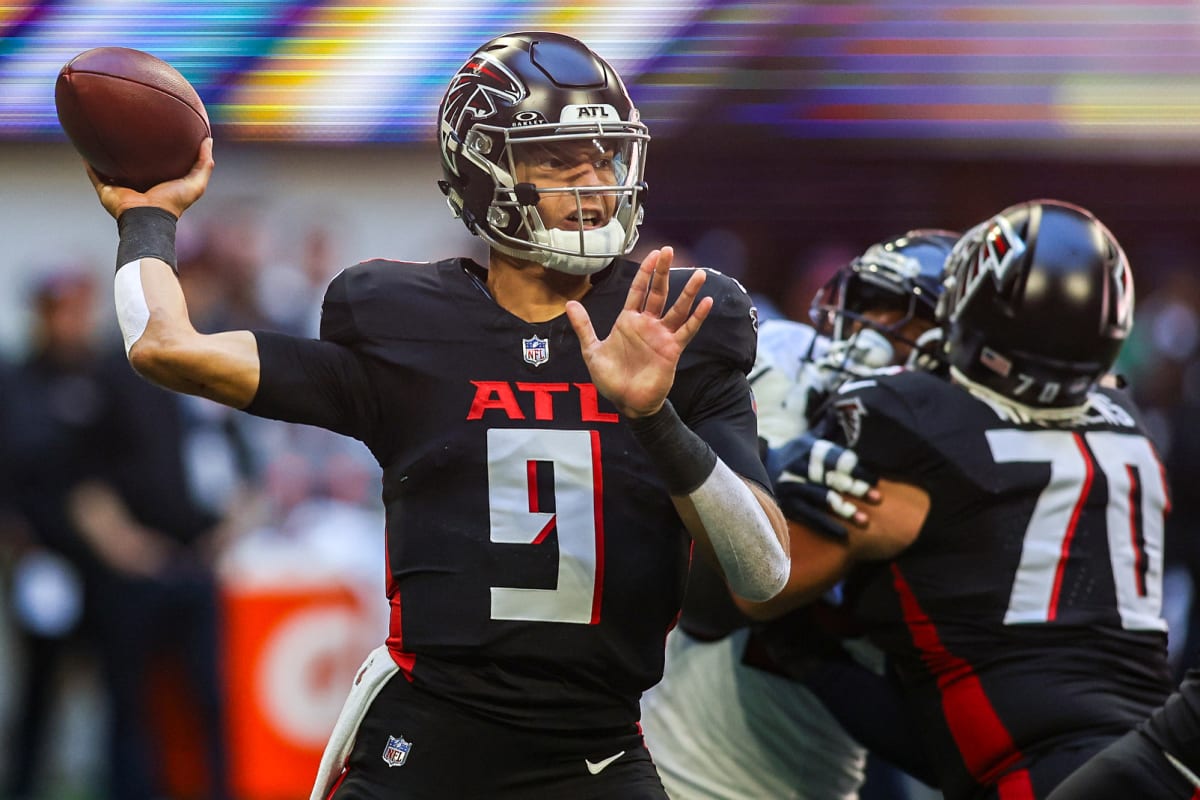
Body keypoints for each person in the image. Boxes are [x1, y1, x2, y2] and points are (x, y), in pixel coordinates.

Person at [80, 30, 789, 800]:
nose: (594, 181)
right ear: (486, 172)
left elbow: (765, 570)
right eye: (558, 158)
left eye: (604, 155)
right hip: (427, 742)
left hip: (596, 750)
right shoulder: (410, 327)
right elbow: (162, 345)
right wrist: (147, 217)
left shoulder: (678, 325)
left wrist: (655, 419)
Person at [738, 200, 1173, 800]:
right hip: (1156, 757)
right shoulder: (1125, 421)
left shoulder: (912, 418)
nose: (870, 328)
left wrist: (764, 457)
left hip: (1043, 777)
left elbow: (759, 587)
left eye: (894, 313)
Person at [639, 230, 956, 800]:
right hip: (671, 755)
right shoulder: (781, 363)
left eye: (900, 314)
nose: (868, 328)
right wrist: (768, 471)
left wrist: (808, 651)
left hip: (808, 773)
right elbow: (698, 599)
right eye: (864, 304)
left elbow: (948, 750)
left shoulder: (946, 470)